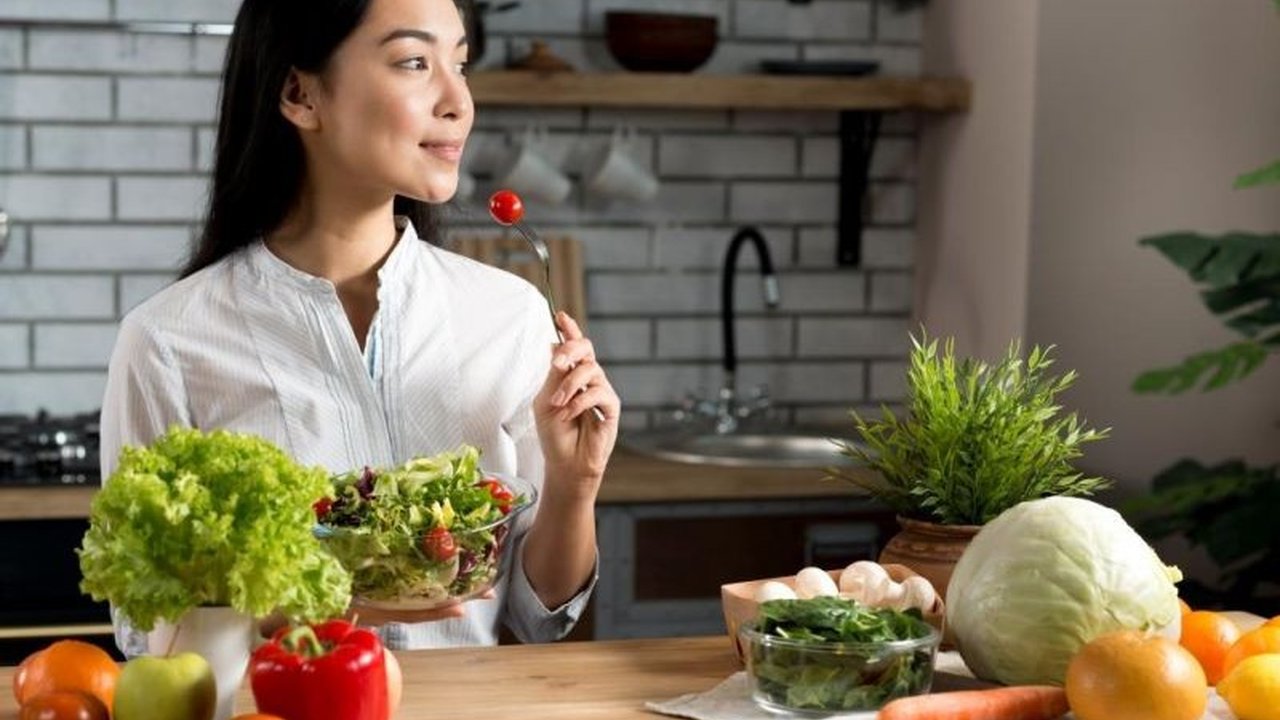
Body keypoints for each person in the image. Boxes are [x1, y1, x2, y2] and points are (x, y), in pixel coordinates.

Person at [100, 0, 620, 653]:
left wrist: (575, 485)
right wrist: (323, 602)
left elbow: (538, 617)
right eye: (414, 62)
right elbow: (147, 629)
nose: (458, 102)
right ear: (301, 94)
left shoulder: (508, 315)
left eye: (460, 64)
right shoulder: (169, 340)